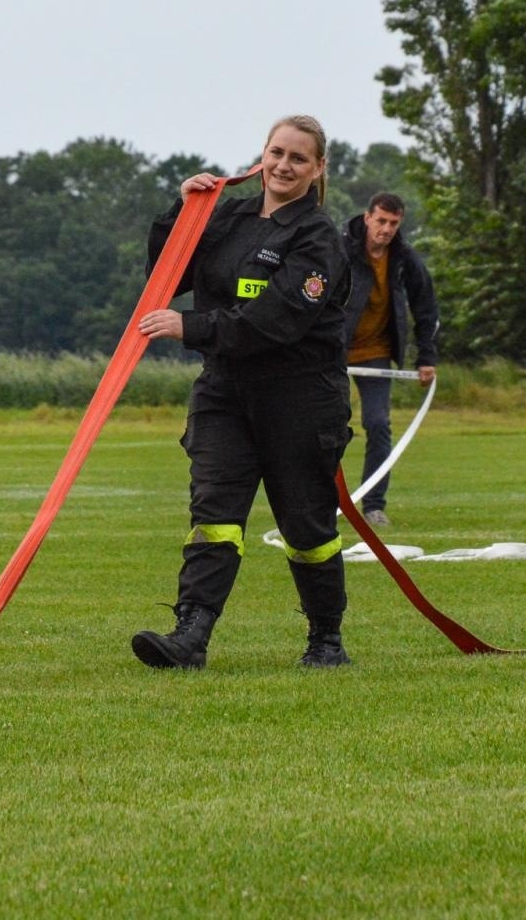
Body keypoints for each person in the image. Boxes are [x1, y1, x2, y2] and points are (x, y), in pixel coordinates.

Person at [133, 115, 354, 670]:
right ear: (261, 156)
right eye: (276, 153)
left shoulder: (318, 239)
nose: (283, 166)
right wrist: (180, 213)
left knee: (307, 528)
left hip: (300, 400)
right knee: (214, 512)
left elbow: (277, 320)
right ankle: (190, 636)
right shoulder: (227, 216)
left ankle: (325, 640)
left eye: (298, 158)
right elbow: (168, 273)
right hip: (225, 393)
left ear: (318, 169)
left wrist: (195, 327)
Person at [341, 192, 439, 527]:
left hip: (376, 353)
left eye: (393, 223)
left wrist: (426, 357)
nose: (386, 229)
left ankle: (373, 505)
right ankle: (322, 502)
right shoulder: (339, 249)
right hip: (332, 353)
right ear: (367, 217)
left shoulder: (404, 258)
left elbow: (426, 309)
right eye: (381, 221)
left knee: (379, 425)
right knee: (328, 428)